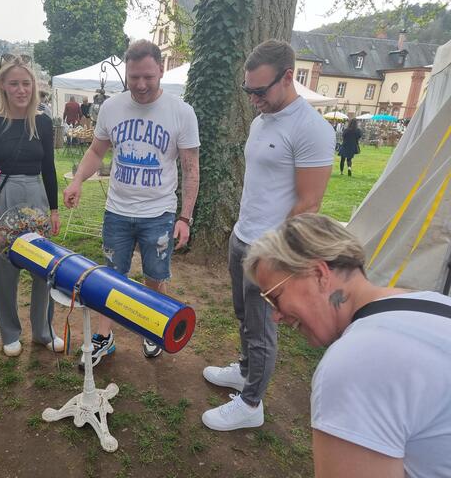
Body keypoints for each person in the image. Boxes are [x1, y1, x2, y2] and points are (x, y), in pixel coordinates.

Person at [243, 213, 451, 478]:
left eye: (275, 297)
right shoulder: (432, 303)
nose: (276, 315)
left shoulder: (356, 365)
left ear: (319, 274)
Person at [201, 39, 335, 431]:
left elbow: (309, 203)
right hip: (242, 237)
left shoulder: (311, 129)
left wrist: (276, 255)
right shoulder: (261, 120)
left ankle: (251, 403)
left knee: (262, 328)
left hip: (272, 250)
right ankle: (246, 372)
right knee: (244, 316)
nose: (253, 99)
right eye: (248, 90)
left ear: (288, 77)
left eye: (260, 91)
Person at [63, 39, 200, 367]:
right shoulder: (112, 107)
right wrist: (77, 180)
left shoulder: (181, 112)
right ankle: (104, 337)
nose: (140, 84)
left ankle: (153, 328)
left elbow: (191, 167)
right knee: (111, 277)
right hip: (117, 210)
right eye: (134, 77)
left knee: (155, 276)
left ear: (161, 71)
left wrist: (185, 217)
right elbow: (96, 151)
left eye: (148, 77)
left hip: (159, 213)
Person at [0, 53, 63, 358]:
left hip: (36, 195)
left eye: (26, 83)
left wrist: (54, 209)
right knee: (3, 270)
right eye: (14, 84)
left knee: (44, 268)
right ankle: (10, 333)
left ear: (34, 85)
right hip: (3, 196)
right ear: (3, 86)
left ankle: (43, 330)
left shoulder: (43, 121)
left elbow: (48, 168)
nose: (21, 90)